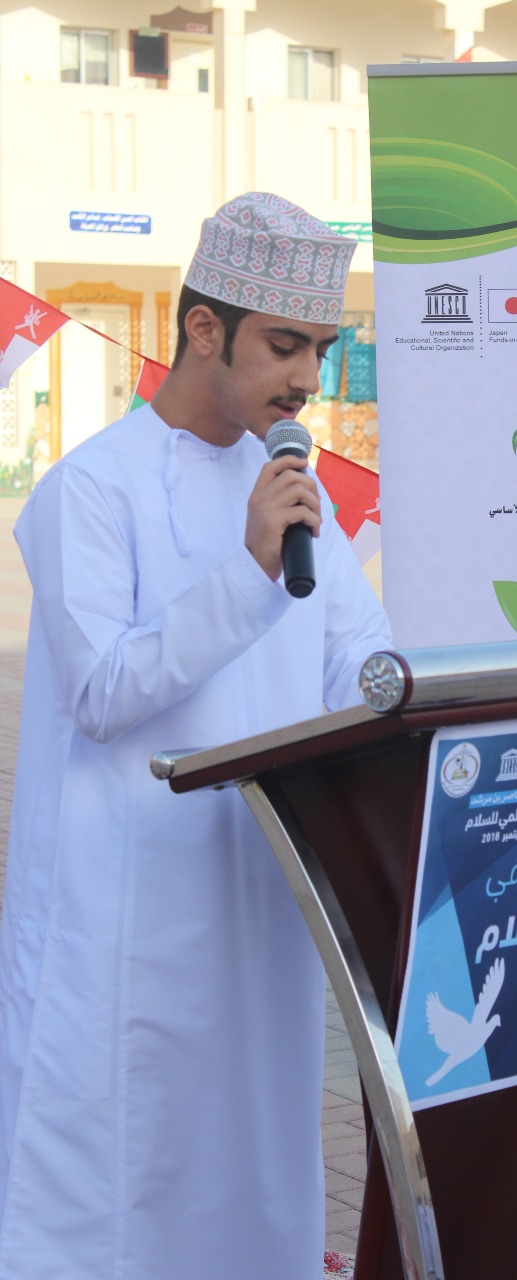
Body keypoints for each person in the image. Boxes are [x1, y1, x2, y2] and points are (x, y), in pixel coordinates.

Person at [0, 192, 393, 1279]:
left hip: (258, 888)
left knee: (247, 1163)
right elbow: (104, 690)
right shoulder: (90, 489)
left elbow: (362, 665)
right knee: (113, 1182)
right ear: (205, 329)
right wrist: (252, 570)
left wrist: (409, 697)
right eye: (284, 345)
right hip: (122, 909)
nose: (306, 378)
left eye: (319, 349)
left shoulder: (299, 500)